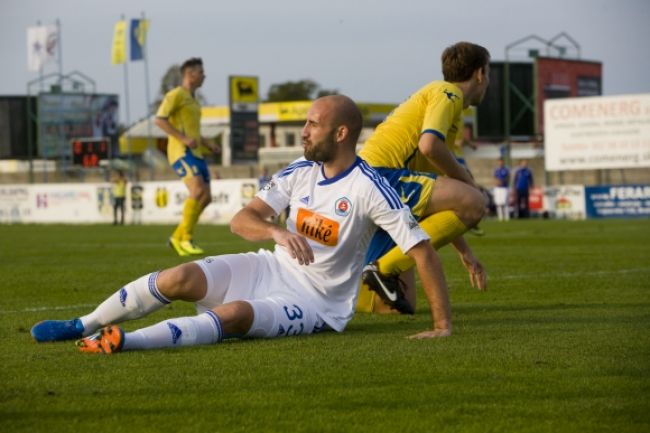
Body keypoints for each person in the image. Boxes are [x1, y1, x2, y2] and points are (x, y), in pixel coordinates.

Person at [30, 95, 453, 354]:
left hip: (316, 305)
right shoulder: (299, 171)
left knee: (234, 315)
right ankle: (84, 325)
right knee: (179, 277)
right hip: (271, 266)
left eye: (312, 124)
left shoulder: (370, 187)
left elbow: (421, 250)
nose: (303, 132)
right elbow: (241, 219)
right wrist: (276, 232)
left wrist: (441, 327)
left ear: (341, 133)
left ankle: (124, 341)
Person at [356, 41, 490, 314]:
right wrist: (469, 183)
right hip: (381, 178)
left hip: (371, 182)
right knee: (476, 201)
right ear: (480, 73)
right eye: (489, 73)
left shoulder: (438, 101)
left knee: (396, 307)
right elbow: (430, 146)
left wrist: (465, 253)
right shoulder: (447, 93)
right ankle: (382, 269)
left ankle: (349, 296)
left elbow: (441, 196)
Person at [155, 57, 219, 257]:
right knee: (197, 190)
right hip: (181, 152)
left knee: (206, 197)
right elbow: (159, 120)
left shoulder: (193, 100)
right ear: (190, 74)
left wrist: (207, 143)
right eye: (201, 72)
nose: (204, 75)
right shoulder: (176, 94)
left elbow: (193, 132)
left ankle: (176, 236)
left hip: (196, 152)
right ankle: (186, 238)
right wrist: (182, 138)